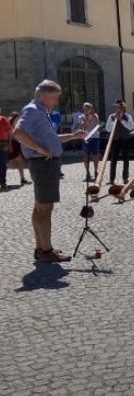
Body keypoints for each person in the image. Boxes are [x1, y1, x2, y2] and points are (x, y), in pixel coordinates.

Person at [12, 80, 85, 262]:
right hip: (43, 164)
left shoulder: (41, 112)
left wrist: (73, 135)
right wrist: (39, 149)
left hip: (44, 164)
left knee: (40, 208)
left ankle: (41, 248)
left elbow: (52, 139)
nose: (56, 102)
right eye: (54, 98)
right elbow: (18, 132)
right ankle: (46, 251)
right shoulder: (33, 110)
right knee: (45, 209)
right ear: (43, 96)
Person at [105, 99, 134, 185]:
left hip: (125, 139)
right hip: (115, 140)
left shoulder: (128, 116)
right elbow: (108, 129)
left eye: (120, 107)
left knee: (126, 159)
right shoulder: (111, 117)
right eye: (117, 107)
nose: (119, 109)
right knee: (113, 160)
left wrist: (122, 120)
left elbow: (131, 127)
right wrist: (115, 121)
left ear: (123, 108)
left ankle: (125, 178)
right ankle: (111, 179)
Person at [6, 112, 31, 186]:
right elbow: (12, 134)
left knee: (17, 161)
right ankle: (22, 179)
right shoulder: (14, 123)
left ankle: (22, 179)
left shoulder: (13, 122)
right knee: (9, 162)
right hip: (13, 144)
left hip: (15, 144)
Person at [78, 102, 100, 181]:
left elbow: (97, 123)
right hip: (86, 138)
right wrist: (87, 117)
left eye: (88, 108)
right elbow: (83, 125)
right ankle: (87, 172)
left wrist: (93, 115)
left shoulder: (95, 115)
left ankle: (96, 171)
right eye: (85, 108)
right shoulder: (81, 117)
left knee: (95, 155)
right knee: (86, 156)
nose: (87, 110)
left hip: (95, 137)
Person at [0, 108, 11, 190]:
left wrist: (10, 144)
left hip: (3, 144)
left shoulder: (3, 119)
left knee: (3, 164)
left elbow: (9, 132)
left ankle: (3, 182)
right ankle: (3, 182)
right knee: (3, 165)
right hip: (3, 144)